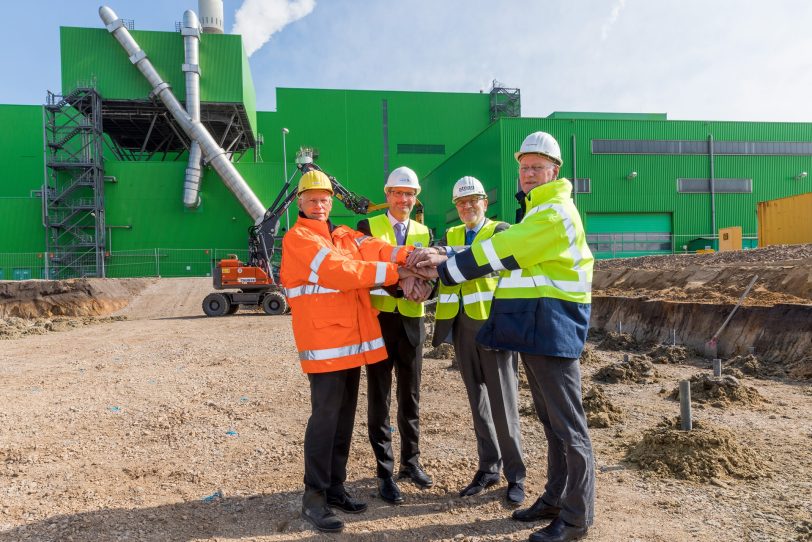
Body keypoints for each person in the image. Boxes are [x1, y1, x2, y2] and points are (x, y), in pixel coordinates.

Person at [408, 132, 595, 542]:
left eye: (536, 167)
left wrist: (441, 268)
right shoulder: (537, 212)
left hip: (554, 325)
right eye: (523, 167)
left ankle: (577, 518)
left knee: (569, 428)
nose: (528, 174)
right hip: (536, 327)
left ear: (554, 170)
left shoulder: (554, 213)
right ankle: (554, 498)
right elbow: (504, 258)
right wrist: (442, 260)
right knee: (550, 423)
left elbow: (501, 251)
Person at [280, 170, 417, 533]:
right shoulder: (299, 239)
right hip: (324, 346)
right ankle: (313, 498)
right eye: (312, 199)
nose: (320, 204)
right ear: (300, 202)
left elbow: (374, 247)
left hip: (350, 344)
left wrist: (410, 255)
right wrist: (396, 273)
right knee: (325, 421)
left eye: (325, 199)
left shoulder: (341, 234)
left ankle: (336, 487)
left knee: (343, 419)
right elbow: (341, 272)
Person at [430, 176, 526, 505]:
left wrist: (446, 253)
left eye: (474, 201)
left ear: (485, 203)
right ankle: (488, 467)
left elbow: (486, 258)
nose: (468, 207)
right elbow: (440, 267)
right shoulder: (453, 233)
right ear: (455, 208)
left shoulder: (499, 231)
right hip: (462, 327)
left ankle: (516, 475)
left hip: (494, 325)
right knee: (479, 402)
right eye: (462, 202)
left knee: (504, 402)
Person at [356, 166, 434, 504]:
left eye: (409, 194)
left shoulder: (424, 231)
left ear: (415, 198)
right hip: (380, 319)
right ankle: (385, 472)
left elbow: (431, 274)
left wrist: (425, 289)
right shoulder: (368, 227)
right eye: (398, 193)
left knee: (410, 397)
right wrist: (401, 284)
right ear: (387, 195)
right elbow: (361, 269)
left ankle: (410, 463)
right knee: (380, 397)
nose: (403, 199)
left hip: (413, 322)